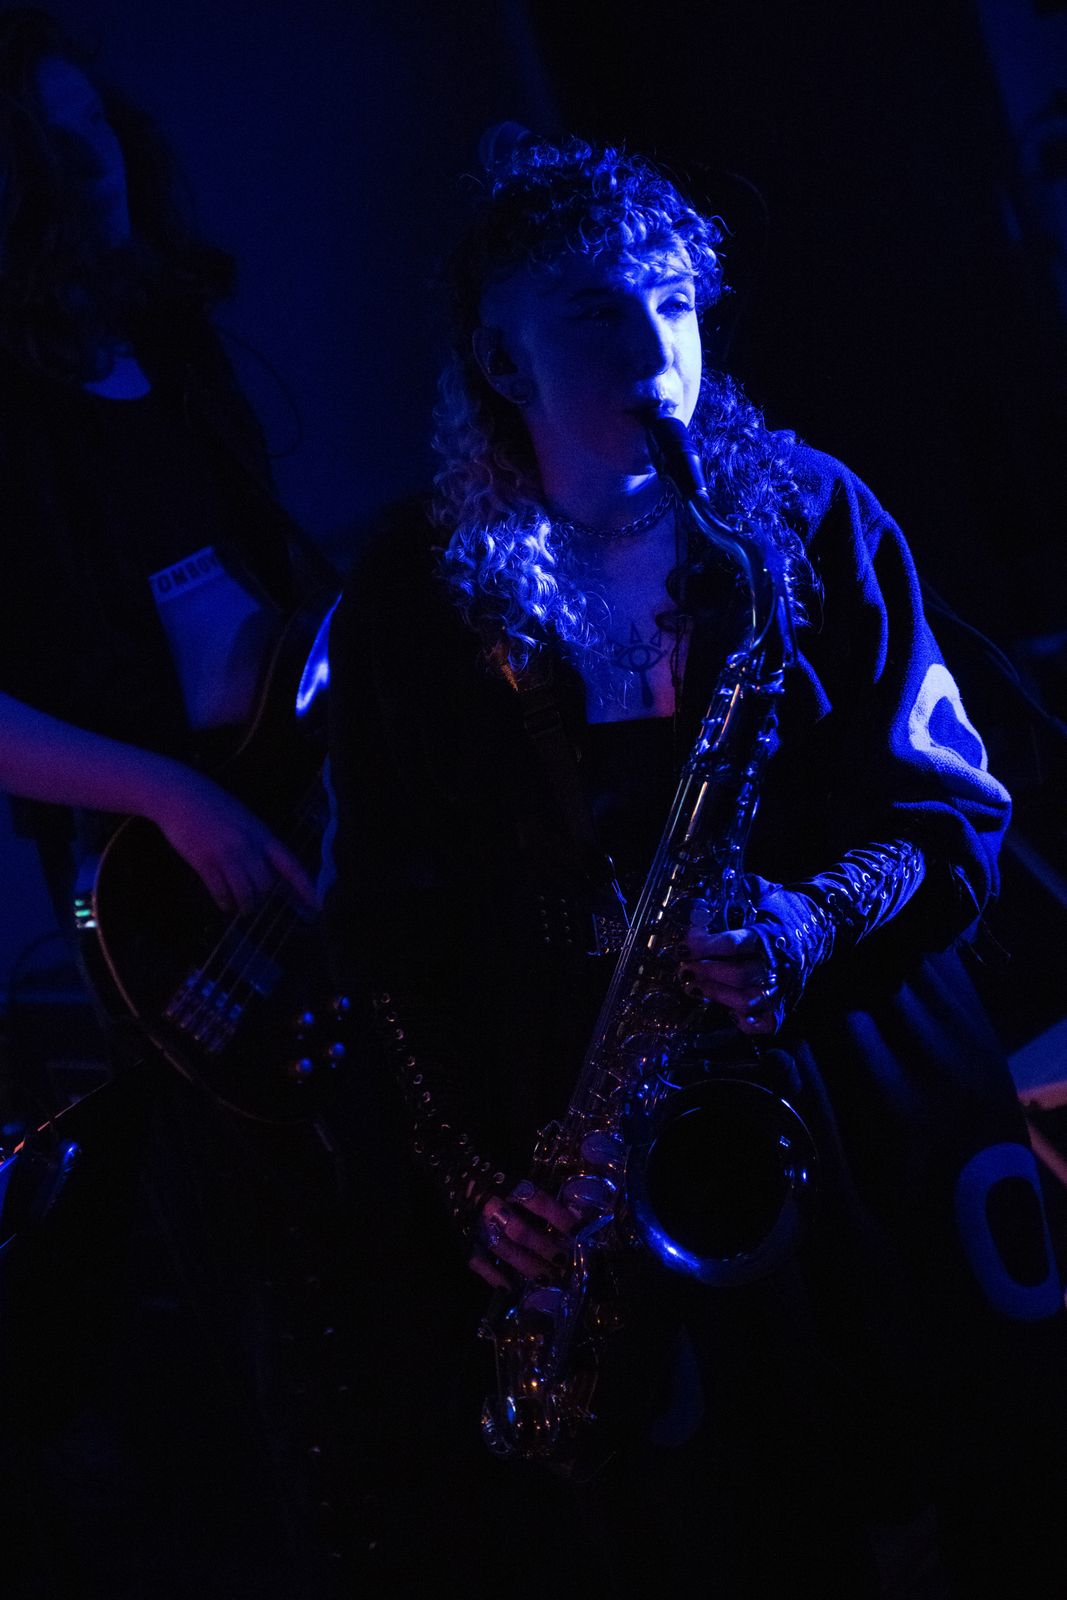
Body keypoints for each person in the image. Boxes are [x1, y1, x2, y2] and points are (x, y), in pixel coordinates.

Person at [327, 130, 1067, 1597]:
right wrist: (482, 1183)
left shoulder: (807, 510)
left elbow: (956, 817)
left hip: (871, 1079)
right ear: (502, 357)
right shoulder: (410, 602)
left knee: (990, 1476)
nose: (654, 351)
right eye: (596, 312)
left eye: (673, 303)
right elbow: (389, 933)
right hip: (610, 1117)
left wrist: (804, 924)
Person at [0, 11, 346, 1594]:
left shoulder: (179, 347)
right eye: (52, 143)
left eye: (101, 127)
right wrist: (166, 799)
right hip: (156, 877)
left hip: (292, 804)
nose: (99, 166)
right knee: (258, 1243)